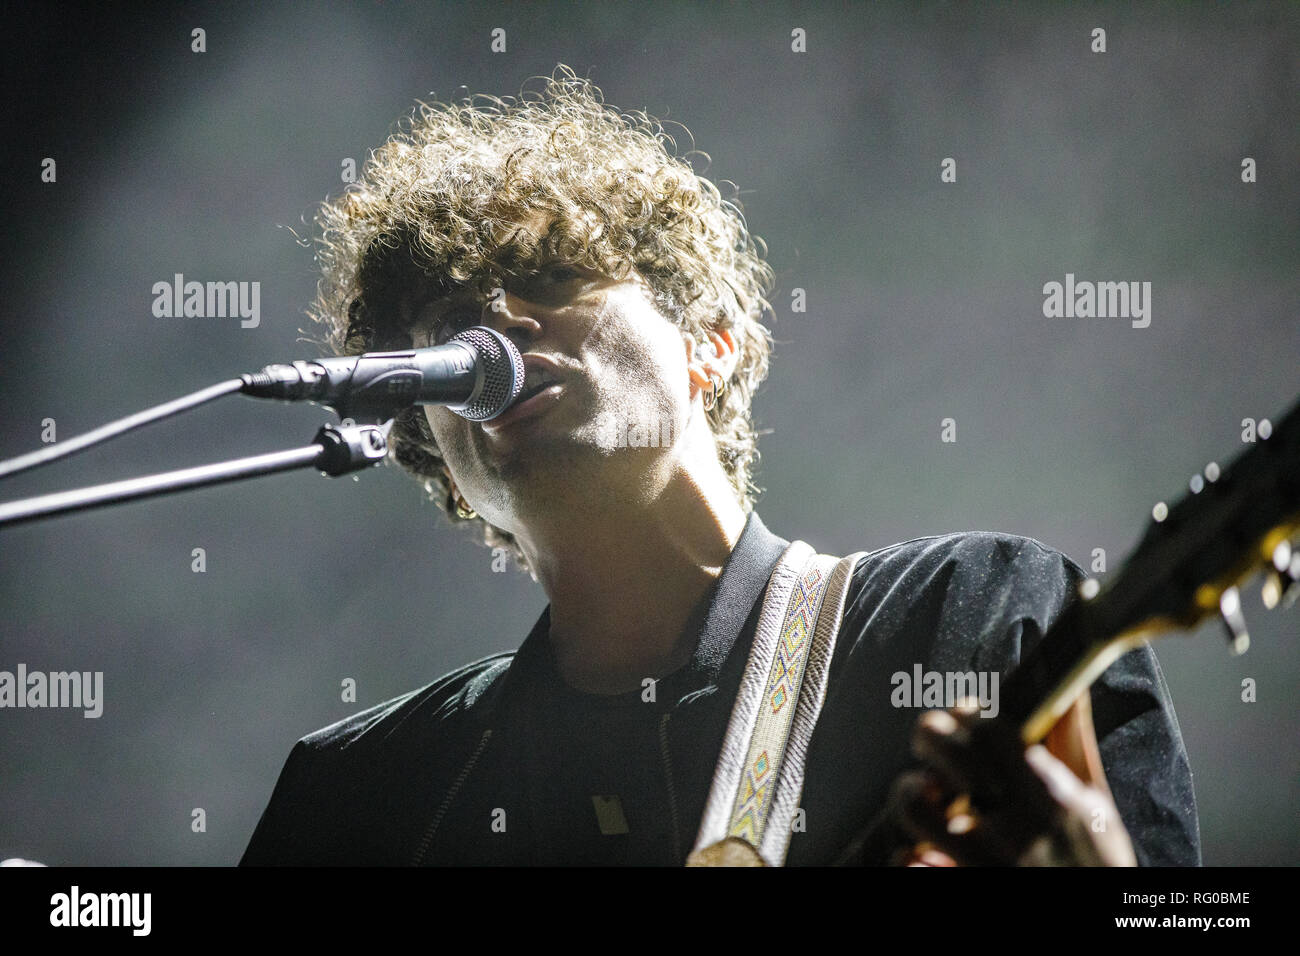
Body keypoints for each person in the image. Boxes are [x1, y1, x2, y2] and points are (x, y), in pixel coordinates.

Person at [240, 66, 1199, 867]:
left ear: (711, 342)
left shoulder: (969, 616)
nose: (501, 328)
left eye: (550, 278)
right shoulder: (363, 794)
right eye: (453, 326)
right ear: (438, 454)